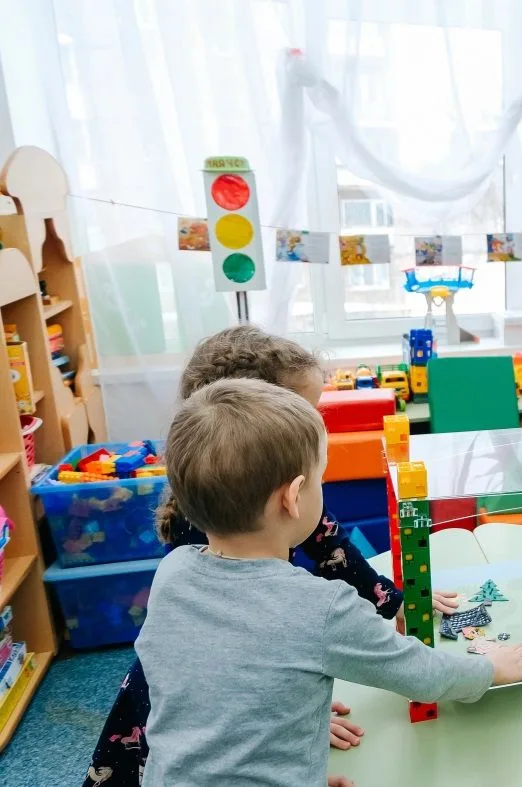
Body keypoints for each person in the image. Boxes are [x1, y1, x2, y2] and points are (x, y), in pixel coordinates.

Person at [84, 325, 462, 787]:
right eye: (302, 412)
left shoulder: (248, 492)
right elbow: (227, 663)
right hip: (192, 702)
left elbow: (329, 546)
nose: (314, 425)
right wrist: (276, 727)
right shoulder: (208, 527)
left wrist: (392, 601)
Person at [135, 378, 522, 786]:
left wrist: (294, 766)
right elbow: (423, 674)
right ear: (293, 497)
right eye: (320, 480)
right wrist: (491, 668)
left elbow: (215, 696)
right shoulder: (320, 607)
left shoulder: (173, 573)